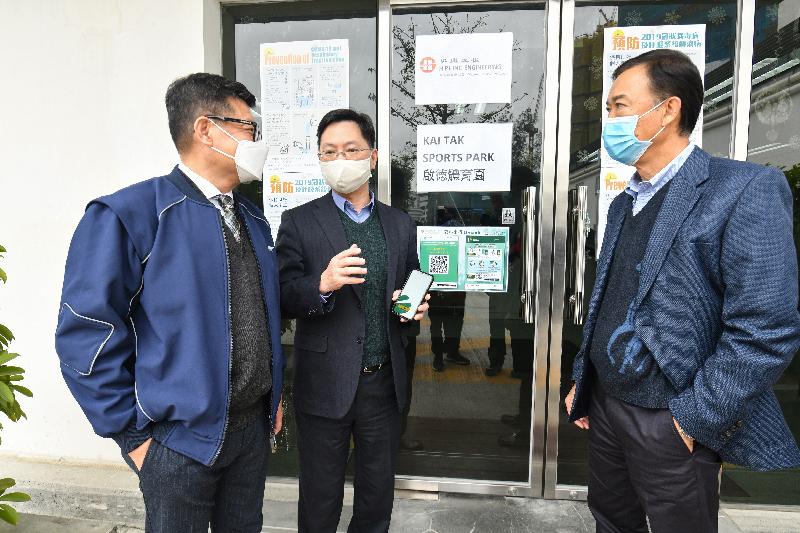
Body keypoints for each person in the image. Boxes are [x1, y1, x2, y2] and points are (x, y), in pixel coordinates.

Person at [565, 49, 800, 533]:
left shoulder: (743, 189)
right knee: (610, 520)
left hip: (672, 416)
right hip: (608, 405)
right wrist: (584, 382)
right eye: (608, 108)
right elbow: (612, 301)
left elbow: (766, 328)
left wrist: (693, 417)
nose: (608, 119)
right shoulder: (624, 202)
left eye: (619, 106)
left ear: (668, 109)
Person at [55, 73, 285, 532]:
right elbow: (85, 333)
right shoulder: (131, 214)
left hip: (249, 436)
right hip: (177, 446)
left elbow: (260, 314)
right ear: (205, 129)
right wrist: (133, 437)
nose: (256, 139)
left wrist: (272, 396)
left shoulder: (253, 219)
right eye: (246, 126)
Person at [275, 108, 429, 533]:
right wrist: (321, 284)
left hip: (383, 381)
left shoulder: (399, 224)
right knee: (321, 495)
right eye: (329, 151)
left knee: (377, 493)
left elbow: (410, 282)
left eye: (351, 149)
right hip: (324, 379)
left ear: (373, 157)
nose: (340, 159)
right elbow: (283, 295)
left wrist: (411, 307)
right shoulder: (300, 221)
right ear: (320, 159)